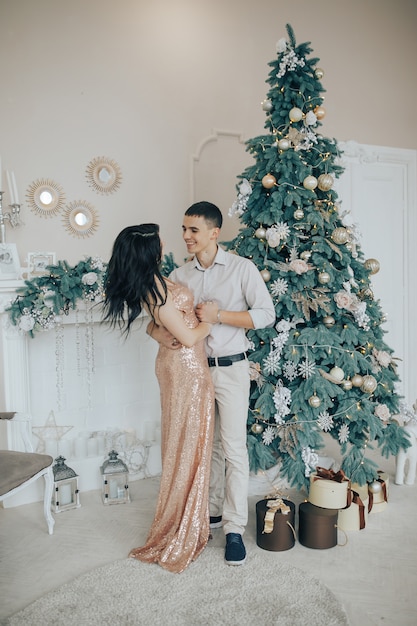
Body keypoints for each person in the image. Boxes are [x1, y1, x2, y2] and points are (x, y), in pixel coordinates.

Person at [148, 202, 276, 565]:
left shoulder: (241, 268)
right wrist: (161, 336)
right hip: (193, 371)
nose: (186, 236)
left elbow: (267, 315)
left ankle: (234, 529)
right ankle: (213, 513)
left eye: (193, 230)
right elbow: (157, 319)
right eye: (184, 229)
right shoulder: (179, 273)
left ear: (214, 232)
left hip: (232, 369)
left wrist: (219, 316)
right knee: (207, 448)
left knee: (233, 449)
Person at [102, 223, 215, 573]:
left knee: (181, 441)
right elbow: (189, 335)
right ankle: (180, 527)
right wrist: (209, 320)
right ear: (150, 250)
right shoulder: (159, 290)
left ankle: (182, 517)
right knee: (188, 443)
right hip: (187, 371)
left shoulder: (151, 283)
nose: (166, 242)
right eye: (159, 240)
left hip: (173, 365)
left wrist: (158, 333)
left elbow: (156, 324)